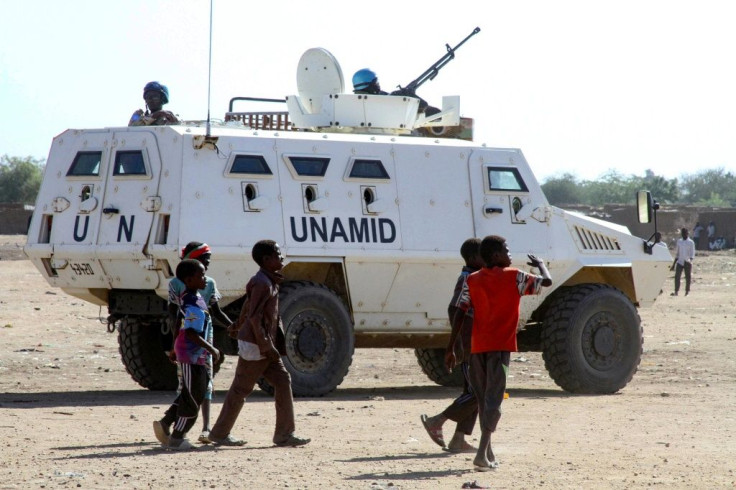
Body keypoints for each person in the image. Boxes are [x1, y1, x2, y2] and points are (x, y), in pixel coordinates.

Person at [459, 235, 552, 471]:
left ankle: (487, 451)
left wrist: (455, 345)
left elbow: (461, 308)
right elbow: (546, 282)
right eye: (507, 250)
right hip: (500, 347)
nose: (510, 254)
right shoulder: (515, 276)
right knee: (494, 400)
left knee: (482, 400)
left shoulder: (472, 279)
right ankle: (481, 453)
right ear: (497, 256)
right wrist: (540, 264)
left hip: (477, 346)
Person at [205, 240, 310, 447]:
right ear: (266, 260)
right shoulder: (263, 282)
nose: (281, 257)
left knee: (282, 380)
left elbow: (248, 306)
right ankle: (219, 433)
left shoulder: (267, 280)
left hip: (261, 343)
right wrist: (266, 346)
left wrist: (238, 325)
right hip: (256, 345)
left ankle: (284, 434)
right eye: (278, 254)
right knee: (241, 389)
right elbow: (255, 317)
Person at [153, 242, 234, 445]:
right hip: (191, 345)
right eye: (202, 265)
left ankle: (199, 428)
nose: (205, 273)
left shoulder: (203, 288)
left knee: (201, 386)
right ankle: (177, 433)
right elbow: (179, 321)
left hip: (202, 341)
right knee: (191, 389)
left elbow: (215, 312)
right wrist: (176, 344)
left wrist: (234, 327)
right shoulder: (182, 290)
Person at [420, 238, 483, 453]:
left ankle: (459, 439)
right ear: (474, 258)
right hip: (469, 345)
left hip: (476, 343)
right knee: (479, 392)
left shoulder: (476, 277)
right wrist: (455, 345)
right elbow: (455, 310)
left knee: (474, 392)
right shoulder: (467, 279)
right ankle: (438, 421)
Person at [670, 227, 695, 296]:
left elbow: (692, 253)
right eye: (683, 233)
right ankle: (676, 291)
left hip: (687, 261)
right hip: (680, 262)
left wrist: (690, 261)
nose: (684, 235)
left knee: (688, 277)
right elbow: (677, 253)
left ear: (687, 233)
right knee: (677, 276)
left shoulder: (691, 242)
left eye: (685, 233)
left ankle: (687, 291)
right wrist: (674, 264)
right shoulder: (679, 242)